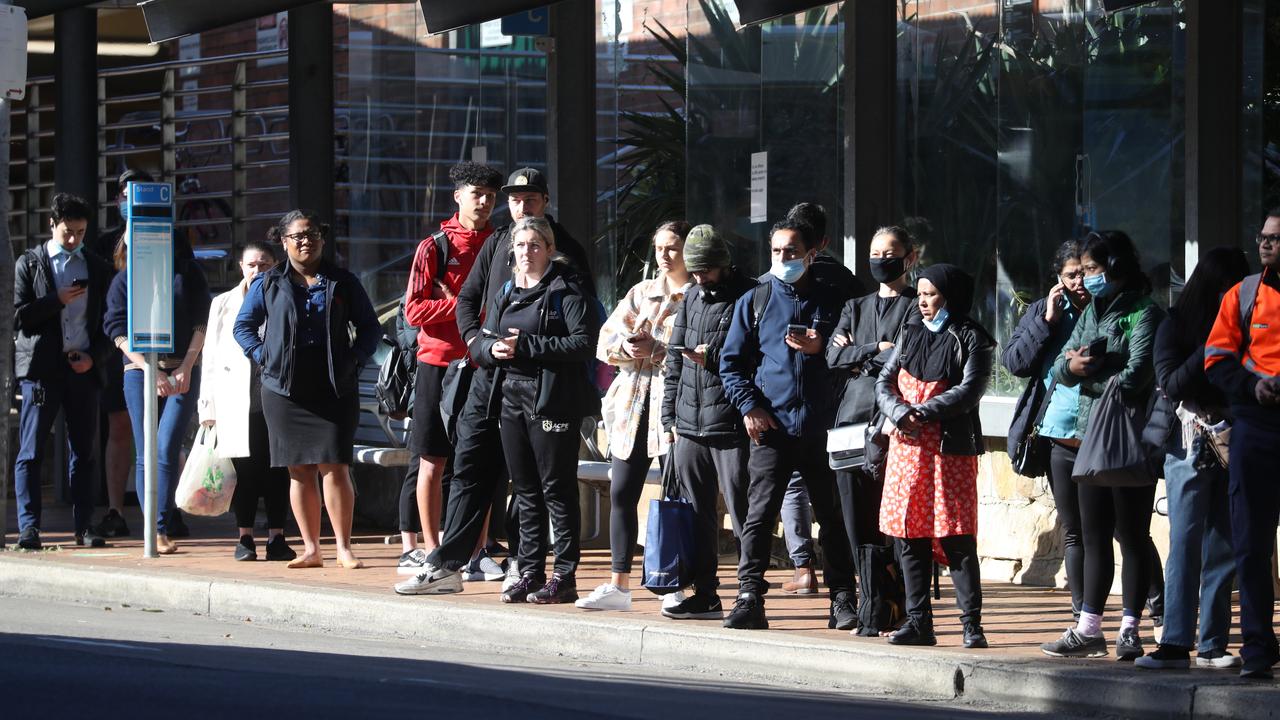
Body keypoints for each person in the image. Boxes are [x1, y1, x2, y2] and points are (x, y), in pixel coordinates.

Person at [397, 167, 595, 594]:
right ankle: (448, 564)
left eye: (531, 198)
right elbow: (468, 300)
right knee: (469, 464)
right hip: (489, 377)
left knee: (540, 483)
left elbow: (582, 331)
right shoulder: (496, 242)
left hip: (543, 387)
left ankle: (534, 567)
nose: (522, 206)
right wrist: (478, 345)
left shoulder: (566, 252)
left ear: (545, 201)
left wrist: (528, 346)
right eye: (515, 199)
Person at [718, 217, 856, 631]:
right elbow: (731, 364)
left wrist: (822, 347)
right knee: (758, 516)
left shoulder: (834, 302)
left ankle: (843, 599)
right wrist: (749, 407)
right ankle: (748, 597)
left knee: (832, 518)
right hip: (772, 428)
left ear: (811, 254)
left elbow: (854, 358)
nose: (783, 258)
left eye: (792, 251)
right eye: (776, 251)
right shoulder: (755, 300)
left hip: (822, 427)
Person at [1040, 230, 1164, 661]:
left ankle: (1131, 627)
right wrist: (1073, 365)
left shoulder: (1145, 312)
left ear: (1114, 266)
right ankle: (1088, 626)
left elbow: (1137, 375)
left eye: (1092, 269)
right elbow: (1060, 365)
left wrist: (1089, 368)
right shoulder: (1094, 307)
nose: (1087, 279)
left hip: (1129, 437)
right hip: (1089, 435)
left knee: (1131, 534)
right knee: (1093, 535)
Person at [233, 210, 381, 569]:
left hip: (334, 385)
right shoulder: (267, 283)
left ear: (322, 239)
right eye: (298, 236)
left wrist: (354, 361)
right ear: (283, 242)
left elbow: (370, 329)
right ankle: (311, 549)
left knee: (335, 466)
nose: (306, 241)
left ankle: (344, 548)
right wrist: (263, 357)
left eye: (312, 234)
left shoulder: (342, 281)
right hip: (284, 389)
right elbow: (243, 327)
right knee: (298, 469)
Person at [472, 217, 600, 604]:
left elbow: (583, 344)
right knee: (524, 489)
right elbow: (483, 338)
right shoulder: (508, 291)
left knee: (556, 489)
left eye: (534, 245)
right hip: (511, 397)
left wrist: (527, 345)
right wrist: (488, 351)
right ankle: (529, 570)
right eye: (521, 245)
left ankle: (565, 575)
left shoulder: (567, 289)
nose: (526, 253)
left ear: (548, 249)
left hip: (553, 400)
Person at [1135, 247, 1249, 670]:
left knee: (1224, 543)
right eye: (1229, 288)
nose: (1236, 297)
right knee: (1184, 542)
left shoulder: (1249, 326)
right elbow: (1171, 383)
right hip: (1189, 441)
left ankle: (1213, 644)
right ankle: (1175, 642)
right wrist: (1213, 345)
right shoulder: (1174, 325)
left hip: (1234, 440)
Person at [875, 263, 994, 649]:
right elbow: (884, 380)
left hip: (948, 449)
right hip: (906, 449)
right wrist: (897, 412)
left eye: (931, 294)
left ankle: (971, 625)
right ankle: (918, 622)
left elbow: (969, 390)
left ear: (951, 295)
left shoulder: (972, 338)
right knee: (910, 535)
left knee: (956, 534)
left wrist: (921, 413)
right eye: (921, 294)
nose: (923, 301)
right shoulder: (910, 334)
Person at [575, 221, 690, 611]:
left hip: (672, 408)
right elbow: (605, 343)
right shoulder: (642, 293)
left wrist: (658, 349)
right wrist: (629, 346)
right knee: (623, 491)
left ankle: (674, 579)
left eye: (672, 247)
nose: (664, 254)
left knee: (676, 495)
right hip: (631, 407)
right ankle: (618, 583)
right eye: (659, 247)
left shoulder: (696, 296)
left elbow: (697, 351)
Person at [397, 162, 502, 577]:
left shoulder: (501, 242)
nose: (484, 201)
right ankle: (433, 551)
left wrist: (463, 302)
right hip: (437, 364)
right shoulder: (434, 246)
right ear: (458, 196)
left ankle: (477, 553)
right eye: (476, 193)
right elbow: (415, 309)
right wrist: (464, 303)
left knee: (477, 462)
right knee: (432, 461)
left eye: (490, 196)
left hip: (482, 363)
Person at [657, 225, 756, 619]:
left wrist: (714, 358)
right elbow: (673, 363)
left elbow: (758, 359)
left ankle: (750, 594)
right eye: (695, 271)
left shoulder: (749, 295)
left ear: (724, 264)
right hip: (689, 425)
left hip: (731, 424)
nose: (701, 278)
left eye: (708, 270)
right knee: (697, 514)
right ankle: (705, 592)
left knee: (744, 512)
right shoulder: (691, 298)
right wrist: (669, 417)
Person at [826, 225, 920, 633]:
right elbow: (832, 356)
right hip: (850, 421)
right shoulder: (854, 306)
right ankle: (870, 601)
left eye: (891, 252)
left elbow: (904, 356)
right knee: (853, 516)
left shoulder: (919, 305)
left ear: (910, 258)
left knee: (892, 515)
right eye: (875, 252)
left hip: (890, 425)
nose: (882, 259)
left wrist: (859, 356)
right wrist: (870, 350)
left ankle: (896, 602)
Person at [13, 193, 114, 550]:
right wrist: (57, 299)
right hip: (41, 370)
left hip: (81, 368)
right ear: (52, 225)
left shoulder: (96, 266)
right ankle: (29, 528)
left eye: (80, 232)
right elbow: (20, 316)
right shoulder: (31, 263)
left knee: (84, 451)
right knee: (31, 449)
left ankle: (84, 525)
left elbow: (110, 323)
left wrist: (95, 358)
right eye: (67, 232)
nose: (73, 239)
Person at [103, 223, 211, 555]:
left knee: (167, 447)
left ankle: (162, 525)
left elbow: (202, 320)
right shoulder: (126, 278)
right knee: (147, 449)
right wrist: (149, 369)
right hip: (139, 370)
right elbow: (115, 328)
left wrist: (186, 367)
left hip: (183, 369)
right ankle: (153, 530)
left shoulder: (188, 272)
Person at [1204, 212, 1280, 680]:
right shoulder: (1243, 294)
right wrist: (1252, 389)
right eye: (1263, 237)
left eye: (1276, 238)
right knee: (1251, 542)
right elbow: (1216, 359)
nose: (1266, 244)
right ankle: (1257, 647)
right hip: (1255, 426)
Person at [774, 203, 861, 595]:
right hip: (834, 401)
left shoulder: (773, 286)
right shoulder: (847, 282)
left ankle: (803, 567)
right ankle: (838, 578)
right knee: (830, 493)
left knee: (799, 486)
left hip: (803, 403)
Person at [1001, 240, 1089, 620]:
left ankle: (1153, 603)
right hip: (1057, 433)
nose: (1080, 281)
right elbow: (1015, 362)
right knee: (1074, 529)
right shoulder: (1046, 310)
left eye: (1085, 272)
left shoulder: (1110, 308)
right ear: (1059, 279)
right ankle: (1082, 613)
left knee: (1120, 526)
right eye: (1071, 275)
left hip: (1101, 432)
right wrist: (1046, 321)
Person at [197, 239, 295, 562]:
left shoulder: (285, 297)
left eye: (264, 265)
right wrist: (207, 407)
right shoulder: (223, 303)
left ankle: (278, 537)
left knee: (278, 469)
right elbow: (209, 356)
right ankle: (245, 538)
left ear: (275, 265)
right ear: (241, 267)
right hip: (236, 399)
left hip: (276, 396)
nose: (257, 271)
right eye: (251, 265)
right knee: (243, 470)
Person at [92, 168, 153, 539]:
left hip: (162, 349)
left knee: (161, 432)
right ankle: (115, 508)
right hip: (118, 350)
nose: (129, 200)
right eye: (123, 194)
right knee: (119, 427)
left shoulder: (171, 238)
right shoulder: (105, 243)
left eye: (138, 193)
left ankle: (165, 513)